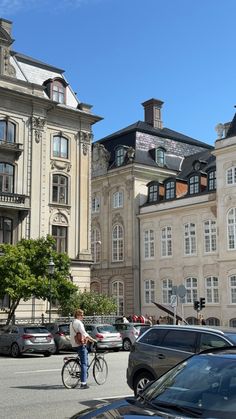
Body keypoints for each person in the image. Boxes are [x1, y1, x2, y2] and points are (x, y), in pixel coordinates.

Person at [70, 308, 96, 389]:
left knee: (85, 359)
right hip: (80, 344)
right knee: (84, 364)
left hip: (74, 344)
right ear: (78, 315)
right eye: (81, 315)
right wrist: (93, 340)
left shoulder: (72, 323)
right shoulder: (79, 323)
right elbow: (84, 333)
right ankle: (83, 383)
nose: (83, 316)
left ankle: (82, 374)